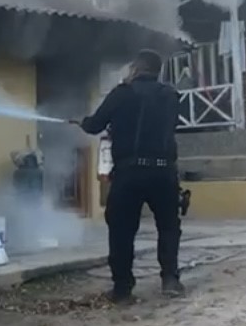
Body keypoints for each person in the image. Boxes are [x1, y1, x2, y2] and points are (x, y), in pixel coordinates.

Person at [75, 49, 184, 303]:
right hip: (163, 172)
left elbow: (95, 125)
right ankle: (170, 279)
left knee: (121, 230)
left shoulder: (122, 93)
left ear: (136, 68)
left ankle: (122, 290)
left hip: (130, 173)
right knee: (169, 226)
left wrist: (83, 121)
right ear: (157, 71)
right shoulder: (170, 96)